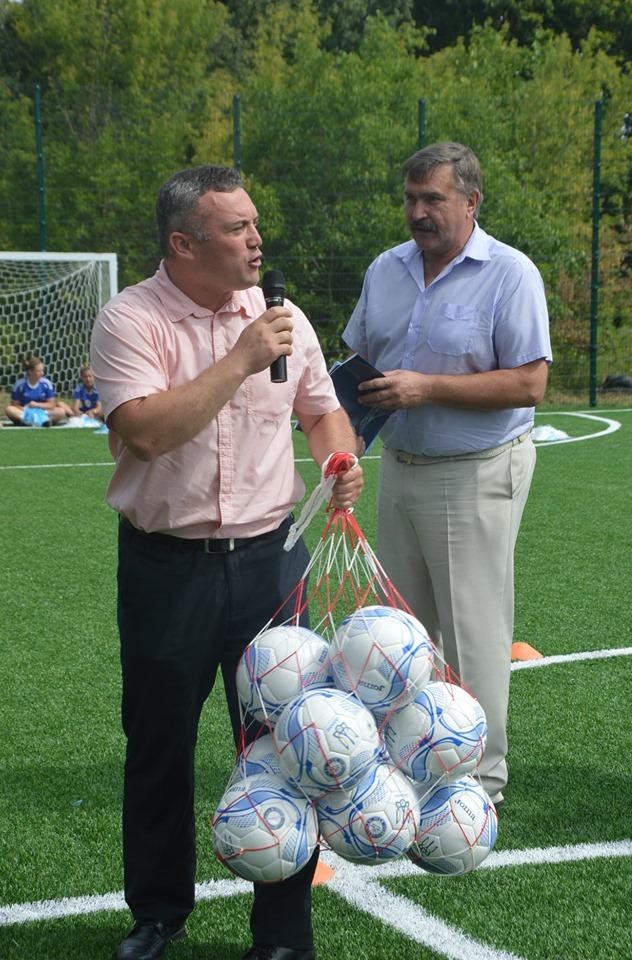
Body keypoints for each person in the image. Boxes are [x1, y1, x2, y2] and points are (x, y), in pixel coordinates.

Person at [90, 164, 363, 960]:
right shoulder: (130, 320)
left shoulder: (283, 317)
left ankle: (282, 935)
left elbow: (321, 411)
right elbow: (142, 430)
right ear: (183, 243)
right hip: (165, 565)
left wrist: (338, 459)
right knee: (159, 743)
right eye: (236, 227)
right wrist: (241, 359)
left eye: (254, 223)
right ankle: (158, 913)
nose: (256, 239)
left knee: (287, 745)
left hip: (271, 561)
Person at [342, 142, 552, 809]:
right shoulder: (385, 269)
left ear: (471, 200)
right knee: (400, 633)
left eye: (431, 198)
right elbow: (358, 355)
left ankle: (479, 781)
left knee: (473, 632)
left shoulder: (510, 273)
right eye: (409, 198)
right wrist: (336, 416)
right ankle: (410, 759)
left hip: (476, 471)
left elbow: (529, 381)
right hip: (398, 467)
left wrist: (426, 389)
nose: (417, 212)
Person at [5, 355, 72, 425]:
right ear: (30, 371)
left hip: (43, 412)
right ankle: (34, 421)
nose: (42, 373)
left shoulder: (46, 383)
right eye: (39, 371)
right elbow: (15, 405)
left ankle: (35, 421)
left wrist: (37, 405)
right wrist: (27, 408)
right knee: (9, 409)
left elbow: (52, 405)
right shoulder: (19, 384)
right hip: (25, 412)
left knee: (61, 411)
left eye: (42, 370)